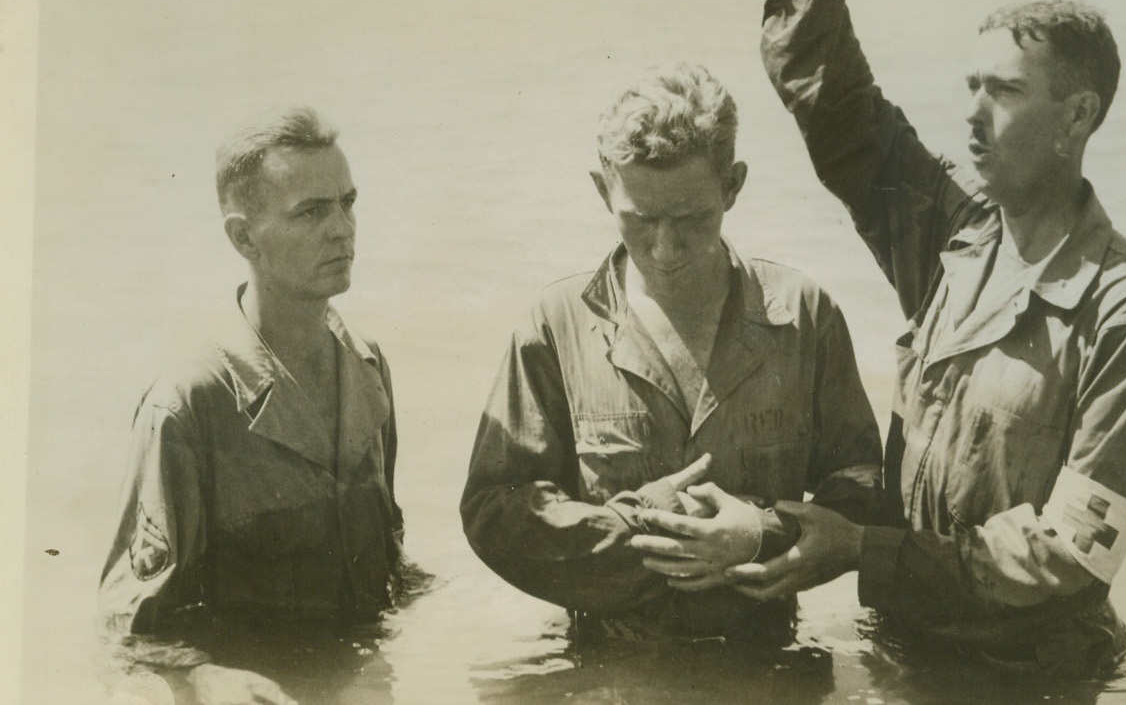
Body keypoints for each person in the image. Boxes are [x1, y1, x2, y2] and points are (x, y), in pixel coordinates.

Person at [685, 0, 1126, 679]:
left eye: (1001, 91)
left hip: (1034, 682)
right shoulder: (956, 243)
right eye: (969, 83)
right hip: (907, 662)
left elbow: (1066, 554)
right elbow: (837, 107)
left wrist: (858, 551)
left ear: (1077, 115)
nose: (969, 113)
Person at [460, 63, 883, 642]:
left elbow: (861, 485)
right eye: (639, 220)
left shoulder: (802, 315)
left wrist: (763, 532)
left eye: (692, 218)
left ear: (733, 185)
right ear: (600, 188)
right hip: (610, 668)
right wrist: (639, 523)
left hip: (769, 667)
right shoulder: (554, 325)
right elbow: (495, 511)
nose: (664, 248)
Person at [99, 107, 420, 705]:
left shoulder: (367, 365)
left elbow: (390, 562)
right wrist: (203, 677)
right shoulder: (189, 405)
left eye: (348, 203)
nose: (343, 229)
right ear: (244, 236)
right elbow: (128, 625)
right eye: (312, 212)